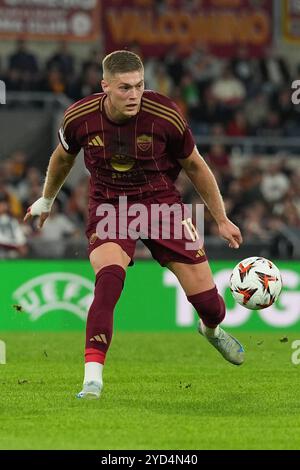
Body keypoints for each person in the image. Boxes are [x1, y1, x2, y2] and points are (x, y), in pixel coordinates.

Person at [24, 50, 244, 400]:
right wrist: (46, 199)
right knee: (108, 282)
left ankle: (212, 331)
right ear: (105, 86)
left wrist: (221, 218)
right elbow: (62, 158)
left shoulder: (166, 114)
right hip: (110, 207)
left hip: (162, 206)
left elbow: (196, 166)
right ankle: (92, 379)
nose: (133, 95)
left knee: (210, 305)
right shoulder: (79, 116)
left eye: (139, 86)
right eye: (124, 87)